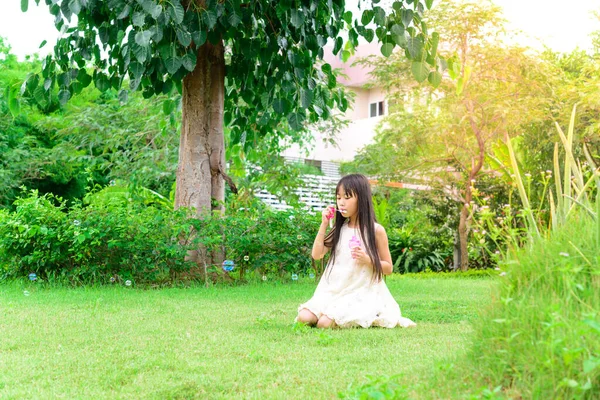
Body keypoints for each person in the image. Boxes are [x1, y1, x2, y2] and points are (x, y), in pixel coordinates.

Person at [296, 174, 416, 329]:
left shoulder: (376, 231)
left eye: (347, 197)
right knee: (303, 317)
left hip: (360, 292)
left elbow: (388, 268)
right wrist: (324, 224)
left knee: (324, 324)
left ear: (361, 199)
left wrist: (368, 259)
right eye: (338, 198)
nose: (341, 202)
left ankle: (363, 314)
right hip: (333, 290)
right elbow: (316, 255)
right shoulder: (340, 229)